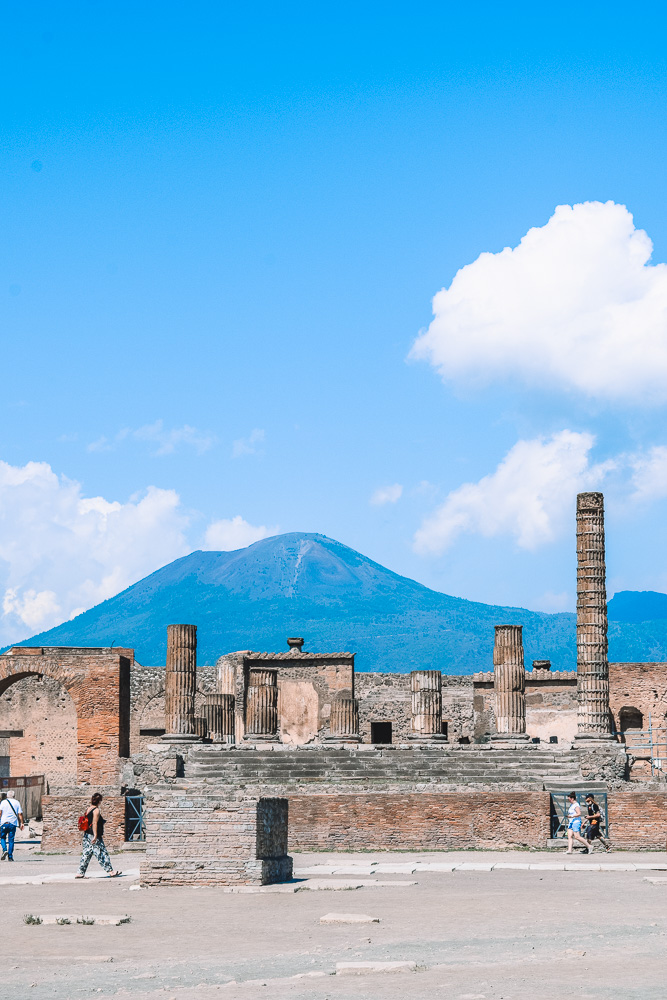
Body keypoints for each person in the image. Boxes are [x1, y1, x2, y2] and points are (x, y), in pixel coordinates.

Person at [75, 793, 121, 879]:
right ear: (99, 801)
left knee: (86, 854)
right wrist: (95, 835)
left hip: (87, 835)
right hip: (93, 835)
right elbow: (94, 823)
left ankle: (80, 873)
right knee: (102, 853)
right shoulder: (96, 810)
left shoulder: (89, 809)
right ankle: (111, 871)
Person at [0, 791, 24, 862]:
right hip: (13, 823)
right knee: (11, 840)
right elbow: (20, 814)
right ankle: (10, 857)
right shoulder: (17, 802)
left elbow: (0, 813)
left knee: (2, 837)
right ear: (14, 796)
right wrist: (22, 823)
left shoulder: (3, 802)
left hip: (4, 823)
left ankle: (4, 849)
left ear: (7, 796)